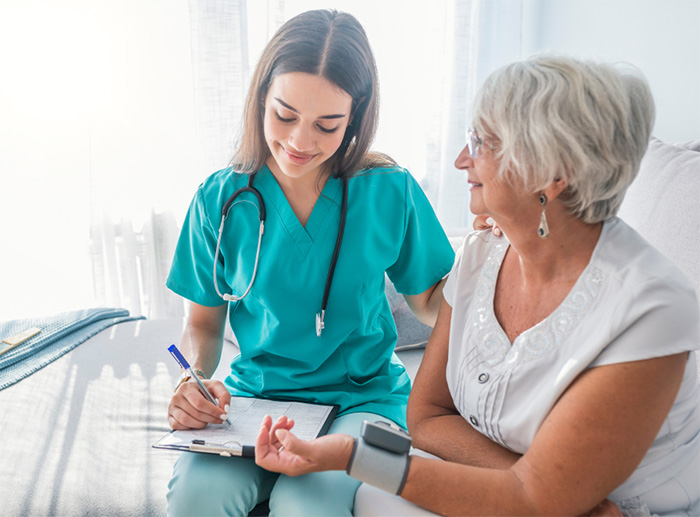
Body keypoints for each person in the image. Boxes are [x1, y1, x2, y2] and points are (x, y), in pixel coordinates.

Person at [254, 55, 700, 516]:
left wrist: (353, 457)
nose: (462, 159)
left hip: (626, 510)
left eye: (481, 142)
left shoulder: (651, 310)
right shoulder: (482, 253)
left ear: (554, 172)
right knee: (375, 499)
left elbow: (532, 501)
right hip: (546, 499)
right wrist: (547, 487)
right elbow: (426, 418)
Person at [164, 9, 455, 516]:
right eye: (284, 115)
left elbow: (434, 302)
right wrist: (193, 380)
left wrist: (503, 261)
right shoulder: (220, 198)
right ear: (260, 100)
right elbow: (203, 324)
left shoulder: (389, 190)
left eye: (327, 125)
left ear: (357, 118)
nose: (300, 142)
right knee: (196, 497)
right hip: (255, 400)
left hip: (366, 404)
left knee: (308, 505)